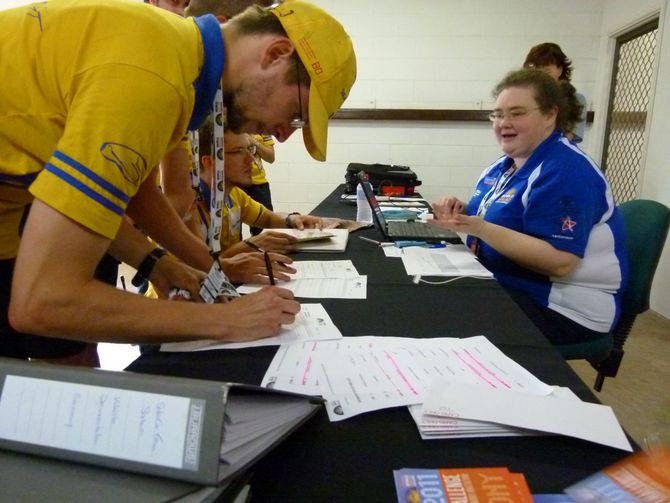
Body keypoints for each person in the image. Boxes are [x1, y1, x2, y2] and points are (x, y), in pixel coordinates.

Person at [0, 0, 356, 359]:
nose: (282, 136)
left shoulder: (179, 63)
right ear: (276, 53)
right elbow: (44, 301)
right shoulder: (155, 78)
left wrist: (174, 263)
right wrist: (227, 320)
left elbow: (136, 192)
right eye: (296, 115)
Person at [430, 69, 628, 346]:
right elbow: (497, 217)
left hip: (564, 308)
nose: (503, 123)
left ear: (550, 115)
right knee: (428, 295)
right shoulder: (504, 166)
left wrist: (480, 227)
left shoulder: (566, 171)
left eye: (517, 113)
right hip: (508, 284)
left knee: (437, 313)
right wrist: (462, 211)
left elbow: (560, 262)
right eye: (497, 114)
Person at [197, 124, 323, 257]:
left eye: (249, 149)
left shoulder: (234, 194)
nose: (251, 159)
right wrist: (251, 244)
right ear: (210, 162)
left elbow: (267, 218)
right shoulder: (190, 207)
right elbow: (195, 271)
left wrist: (292, 219)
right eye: (239, 151)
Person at [523, 42, 587, 143]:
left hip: (559, 154)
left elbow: (568, 138)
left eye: (547, 72)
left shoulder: (576, 100)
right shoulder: (524, 97)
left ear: (560, 70)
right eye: (536, 71)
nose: (541, 76)